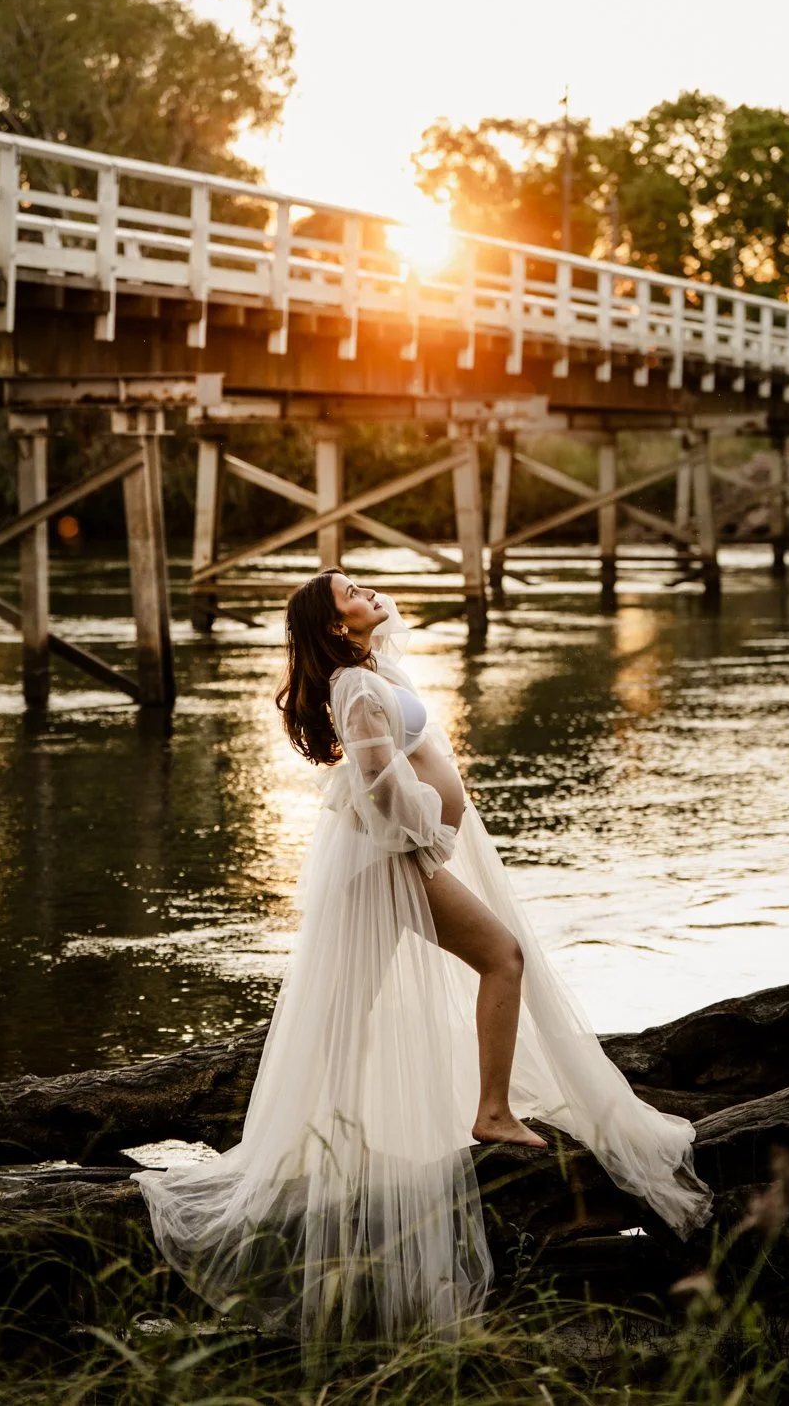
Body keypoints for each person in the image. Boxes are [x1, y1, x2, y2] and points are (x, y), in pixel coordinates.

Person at [133, 571, 713, 1355]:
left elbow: (392, 743)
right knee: (500, 957)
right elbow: (378, 787)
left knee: (355, 1003)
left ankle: (322, 1138)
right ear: (333, 624)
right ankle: (489, 1112)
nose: (368, 589)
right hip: (391, 863)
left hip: (386, 861)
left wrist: (427, 814)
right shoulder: (354, 687)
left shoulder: (367, 670)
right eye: (350, 590)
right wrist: (429, 841)